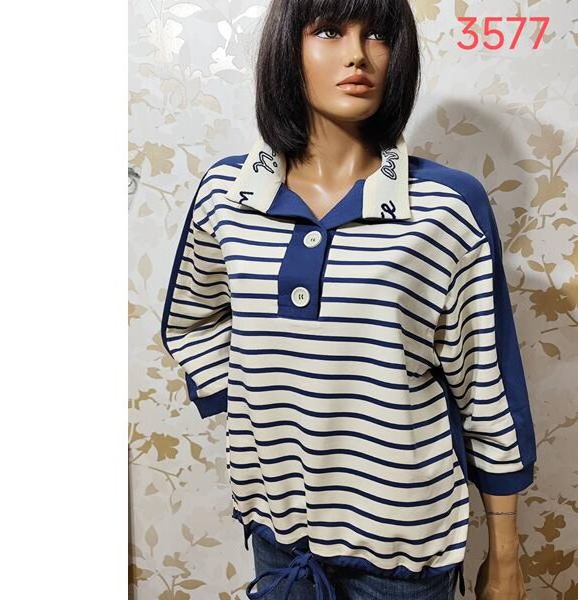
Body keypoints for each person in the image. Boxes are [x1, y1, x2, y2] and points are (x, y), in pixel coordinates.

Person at [160, 0, 537, 598]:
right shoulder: (227, 193)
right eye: (330, 31)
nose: (358, 54)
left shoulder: (446, 206)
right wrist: (259, 394)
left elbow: (487, 385)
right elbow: (189, 319)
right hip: (279, 538)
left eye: (379, 35)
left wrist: (507, 553)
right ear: (289, 49)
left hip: (403, 554)